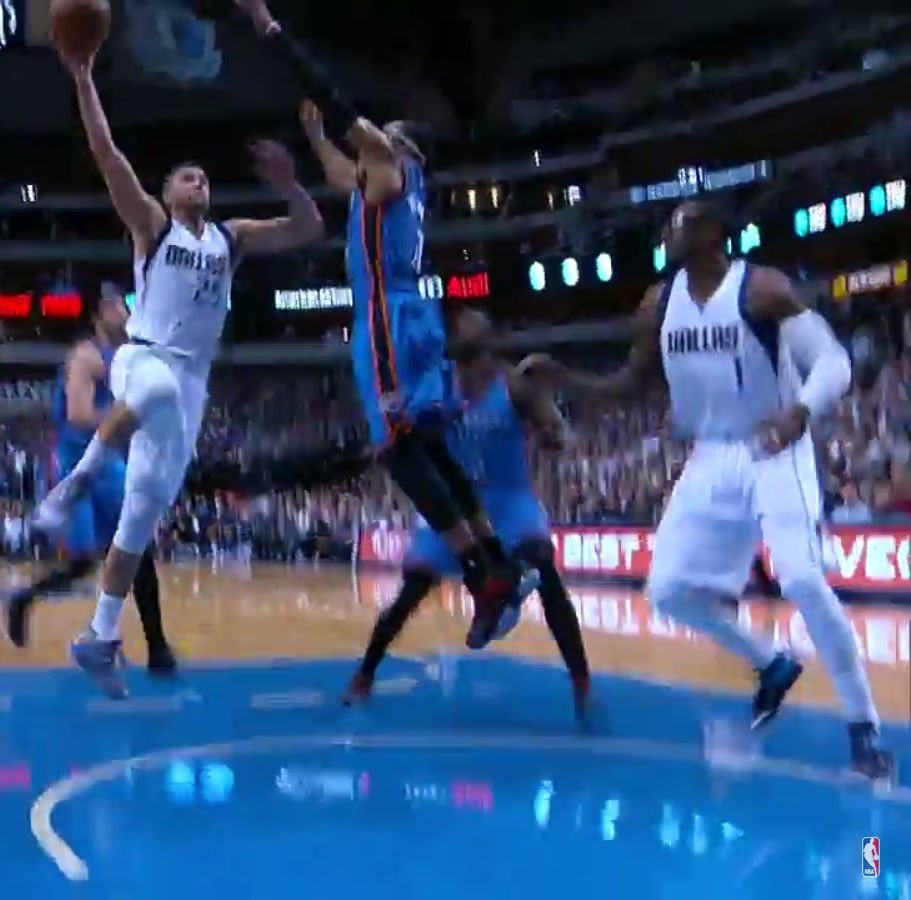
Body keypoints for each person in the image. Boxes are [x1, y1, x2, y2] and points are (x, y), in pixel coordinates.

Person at [519, 200, 893, 779]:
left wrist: (800, 411)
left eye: (685, 220)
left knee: (799, 577)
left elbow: (833, 362)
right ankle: (771, 663)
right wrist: (563, 377)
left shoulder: (761, 289)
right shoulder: (658, 303)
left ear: (716, 231)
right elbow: (628, 384)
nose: (671, 229)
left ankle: (864, 728)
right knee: (666, 590)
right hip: (712, 455)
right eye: (670, 223)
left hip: (774, 447)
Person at [226, 0, 537, 649]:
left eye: (379, 136)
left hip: (389, 320)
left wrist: (268, 26)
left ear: (398, 148)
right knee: (427, 446)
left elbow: (333, 95)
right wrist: (312, 143)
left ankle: (484, 578)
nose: (366, 142)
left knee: (397, 447)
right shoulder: (385, 185)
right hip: (405, 316)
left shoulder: (393, 167)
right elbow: (341, 172)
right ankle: (498, 567)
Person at [31, 39, 324, 698]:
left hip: (192, 386)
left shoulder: (231, 237)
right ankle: (70, 487)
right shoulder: (153, 226)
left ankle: (99, 637)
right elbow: (109, 155)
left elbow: (306, 228)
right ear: (166, 192)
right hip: (144, 359)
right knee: (157, 386)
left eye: (204, 178)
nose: (199, 183)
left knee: (142, 514)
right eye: (186, 177)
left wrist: (288, 183)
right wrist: (83, 79)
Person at [342, 309, 596, 722]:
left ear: (490, 348)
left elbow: (561, 435)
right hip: (458, 502)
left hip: (509, 500)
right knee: (413, 588)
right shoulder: (435, 389)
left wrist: (554, 433)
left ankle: (581, 682)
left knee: (545, 570)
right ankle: (365, 673)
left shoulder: (515, 385)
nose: (474, 360)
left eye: (478, 349)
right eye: (465, 350)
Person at [5, 286, 176, 676]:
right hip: (77, 464)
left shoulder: (126, 357)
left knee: (136, 547)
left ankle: (157, 648)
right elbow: (80, 415)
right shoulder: (86, 355)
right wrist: (132, 417)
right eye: (120, 308)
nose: (128, 315)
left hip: (109, 461)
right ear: (101, 313)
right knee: (83, 563)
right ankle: (24, 599)